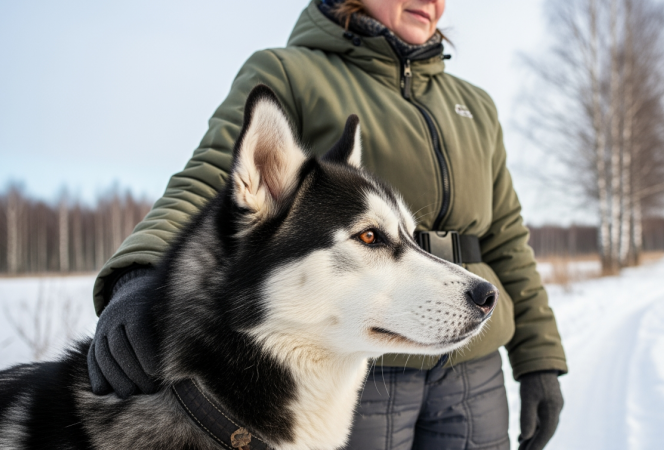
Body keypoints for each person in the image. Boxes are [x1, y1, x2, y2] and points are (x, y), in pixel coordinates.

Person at [87, 0, 568, 449]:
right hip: (359, 368)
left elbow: (506, 236)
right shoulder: (292, 72)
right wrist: (138, 275)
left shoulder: (474, 104)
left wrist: (539, 359)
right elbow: (212, 181)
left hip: (473, 370)